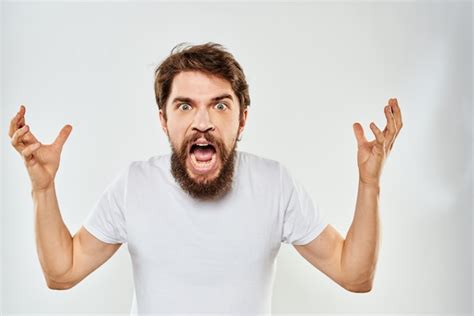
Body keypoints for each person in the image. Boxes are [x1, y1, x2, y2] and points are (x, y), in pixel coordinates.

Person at [8, 42, 403, 314]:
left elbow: (355, 275)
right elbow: (62, 272)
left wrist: (370, 185)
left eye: (219, 105)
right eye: (185, 106)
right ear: (164, 120)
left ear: (242, 118)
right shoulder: (134, 186)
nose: (203, 122)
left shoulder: (274, 184)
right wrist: (43, 188)